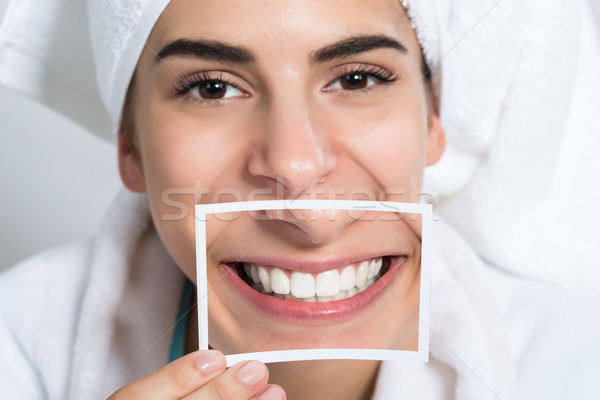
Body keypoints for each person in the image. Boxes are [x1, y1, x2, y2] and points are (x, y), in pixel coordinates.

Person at [1, 0, 599, 399]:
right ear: (130, 145)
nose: (296, 167)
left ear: (435, 121)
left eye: (358, 79)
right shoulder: (18, 346)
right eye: (213, 88)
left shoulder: (574, 363)